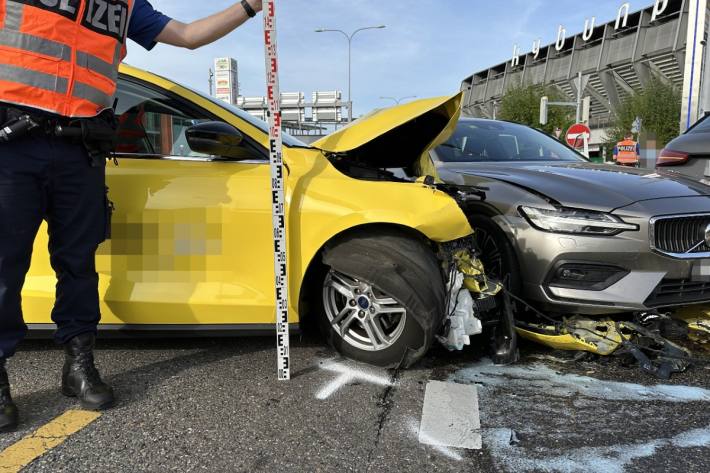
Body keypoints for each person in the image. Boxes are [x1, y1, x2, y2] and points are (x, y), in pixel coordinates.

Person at [0, 0, 263, 432]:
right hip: (11, 146)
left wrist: (249, 6)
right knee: (4, 267)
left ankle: (78, 365)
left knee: (79, 264)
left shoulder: (122, 4)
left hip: (80, 150)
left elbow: (189, 35)